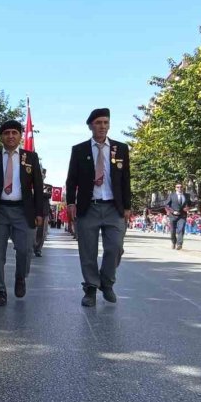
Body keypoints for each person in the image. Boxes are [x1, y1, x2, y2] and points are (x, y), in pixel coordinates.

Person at [65, 108, 132, 307]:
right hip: (89, 207)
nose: (102, 126)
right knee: (88, 250)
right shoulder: (80, 150)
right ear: (90, 126)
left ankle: (107, 282)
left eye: (105, 122)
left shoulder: (120, 149)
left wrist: (127, 206)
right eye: (98, 123)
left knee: (115, 248)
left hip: (114, 207)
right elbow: (72, 180)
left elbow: (126, 179)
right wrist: (71, 203)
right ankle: (91, 288)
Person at [0, 120, 44, 306]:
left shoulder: (30, 158)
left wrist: (39, 212)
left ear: (20, 136)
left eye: (14, 132)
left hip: (23, 211)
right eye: (6, 133)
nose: (10, 136)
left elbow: (38, 187)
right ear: (1, 136)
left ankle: (20, 277)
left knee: (25, 250)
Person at [165, 182, 191, 250]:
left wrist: (188, 208)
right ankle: (174, 242)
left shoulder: (187, 195)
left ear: (183, 188)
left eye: (181, 187)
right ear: (175, 188)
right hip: (173, 216)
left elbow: (190, 204)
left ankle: (179, 244)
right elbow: (167, 205)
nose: (179, 188)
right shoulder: (171, 195)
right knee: (173, 231)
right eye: (178, 187)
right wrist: (173, 211)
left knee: (181, 229)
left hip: (182, 215)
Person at [34, 168, 51, 257]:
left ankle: (38, 249)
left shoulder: (48, 186)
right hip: (33, 211)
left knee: (42, 232)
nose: (42, 176)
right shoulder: (32, 184)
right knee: (33, 231)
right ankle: (33, 246)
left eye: (43, 175)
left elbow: (49, 195)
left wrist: (39, 191)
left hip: (44, 211)